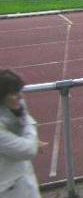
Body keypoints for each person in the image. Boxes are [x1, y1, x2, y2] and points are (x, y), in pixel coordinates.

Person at [0, 70, 42, 198]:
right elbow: (28, 150)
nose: (20, 96)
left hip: (21, 180)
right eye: (14, 93)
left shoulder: (10, 111)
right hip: (8, 189)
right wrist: (26, 121)